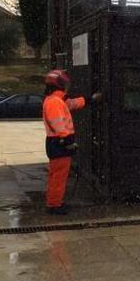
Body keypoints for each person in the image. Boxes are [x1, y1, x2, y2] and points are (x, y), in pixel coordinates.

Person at [43, 69, 99, 215]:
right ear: (60, 84)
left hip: (56, 143)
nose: (67, 86)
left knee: (55, 176)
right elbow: (58, 124)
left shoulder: (57, 100)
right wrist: (68, 141)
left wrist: (90, 99)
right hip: (59, 143)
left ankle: (53, 202)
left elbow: (73, 103)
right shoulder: (55, 102)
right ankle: (55, 205)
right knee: (58, 177)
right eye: (65, 83)